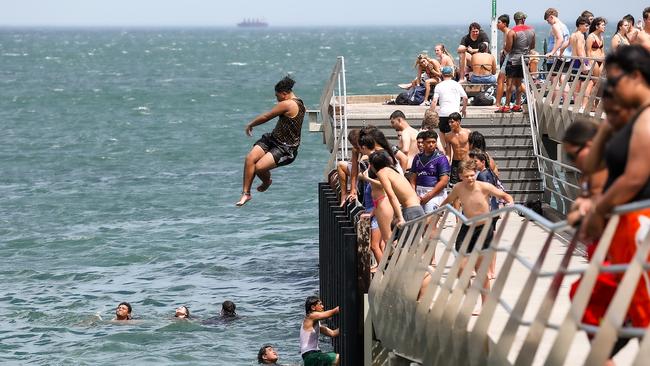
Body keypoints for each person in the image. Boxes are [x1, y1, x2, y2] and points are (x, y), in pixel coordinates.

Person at [440, 159, 513, 306]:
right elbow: (448, 201)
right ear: (460, 176)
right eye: (466, 176)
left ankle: (485, 304)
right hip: (467, 227)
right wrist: (437, 213)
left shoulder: (484, 187)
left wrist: (510, 203)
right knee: (461, 267)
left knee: (481, 270)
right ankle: (469, 300)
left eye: (472, 175)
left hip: (483, 229)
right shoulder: (458, 187)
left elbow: (505, 196)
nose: (470, 178)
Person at [237, 75, 305, 206]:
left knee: (259, 167)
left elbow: (267, 116)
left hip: (286, 149)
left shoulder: (287, 104)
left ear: (284, 94)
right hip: (272, 139)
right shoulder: (301, 103)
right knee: (250, 158)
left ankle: (267, 181)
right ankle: (246, 194)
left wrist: (251, 124)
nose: (276, 99)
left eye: (277, 96)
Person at [561, 118, 607, 226]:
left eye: (573, 155)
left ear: (590, 145)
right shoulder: (587, 173)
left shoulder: (605, 169)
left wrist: (582, 211)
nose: (573, 161)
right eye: (569, 157)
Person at [370, 150, 425, 227]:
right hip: (418, 209)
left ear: (372, 165)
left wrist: (400, 218)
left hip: (410, 211)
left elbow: (391, 196)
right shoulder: (393, 170)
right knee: (416, 239)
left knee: (407, 239)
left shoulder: (382, 173)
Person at [409, 130, 450, 214]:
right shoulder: (417, 157)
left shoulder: (441, 158)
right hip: (418, 193)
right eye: (428, 142)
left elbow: (444, 181)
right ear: (423, 143)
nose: (431, 144)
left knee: (430, 223)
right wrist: (414, 194)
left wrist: (429, 196)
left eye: (433, 142)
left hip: (434, 194)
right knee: (419, 222)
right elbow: (413, 177)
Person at [503, 11, 535, 113]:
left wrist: (503, 50)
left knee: (509, 83)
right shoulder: (531, 30)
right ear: (523, 19)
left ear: (515, 20)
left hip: (513, 60)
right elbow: (533, 46)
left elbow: (508, 48)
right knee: (519, 83)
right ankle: (518, 104)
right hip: (524, 59)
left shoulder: (512, 32)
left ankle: (507, 105)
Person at [430, 66, 468, 144]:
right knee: (455, 134)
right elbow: (465, 98)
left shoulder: (439, 86)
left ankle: (445, 150)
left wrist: (431, 113)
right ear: (452, 74)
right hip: (455, 114)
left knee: (442, 133)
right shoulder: (457, 85)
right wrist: (464, 109)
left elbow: (434, 101)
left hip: (443, 114)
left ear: (442, 75)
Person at [300, 296, 340, 366]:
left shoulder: (315, 325)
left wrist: (348, 326)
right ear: (313, 307)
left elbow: (333, 333)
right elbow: (332, 312)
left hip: (312, 356)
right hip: (311, 356)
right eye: (320, 304)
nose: (323, 306)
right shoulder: (311, 316)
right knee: (337, 358)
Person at [569, 16, 592, 110]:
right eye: (586, 26)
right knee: (586, 83)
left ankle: (576, 105)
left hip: (573, 60)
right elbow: (580, 50)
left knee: (576, 84)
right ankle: (583, 105)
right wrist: (584, 64)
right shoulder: (580, 35)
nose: (587, 28)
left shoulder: (573, 34)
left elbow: (569, 46)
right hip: (580, 60)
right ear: (580, 25)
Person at [444, 112, 471, 186]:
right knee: (454, 185)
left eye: (452, 122)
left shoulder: (467, 133)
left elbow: (472, 149)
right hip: (456, 163)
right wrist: (445, 163)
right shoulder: (448, 135)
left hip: (467, 162)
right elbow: (448, 154)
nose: (450, 124)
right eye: (449, 122)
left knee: (467, 184)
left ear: (458, 121)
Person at [336, 129, 361, 206]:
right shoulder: (355, 149)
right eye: (353, 144)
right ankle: (343, 195)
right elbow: (354, 169)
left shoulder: (367, 145)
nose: (355, 146)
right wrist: (352, 189)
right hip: (360, 169)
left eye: (356, 144)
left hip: (368, 169)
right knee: (340, 165)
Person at [585, 17, 607, 98]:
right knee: (595, 82)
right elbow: (588, 51)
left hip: (601, 61)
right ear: (597, 26)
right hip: (593, 61)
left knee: (600, 83)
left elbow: (602, 51)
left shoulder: (601, 37)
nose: (604, 27)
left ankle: (596, 104)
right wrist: (589, 63)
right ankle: (590, 103)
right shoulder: (591, 37)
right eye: (603, 25)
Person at [494, 14, 512, 112]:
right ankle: (499, 102)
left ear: (504, 24)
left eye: (499, 22)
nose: (497, 24)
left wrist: (504, 51)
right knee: (511, 82)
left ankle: (497, 103)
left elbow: (510, 48)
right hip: (507, 58)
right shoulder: (505, 33)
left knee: (500, 79)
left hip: (509, 59)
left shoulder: (508, 32)